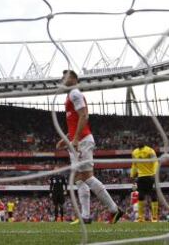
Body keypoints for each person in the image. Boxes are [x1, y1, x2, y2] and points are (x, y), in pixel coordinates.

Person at [57, 70, 123, 224]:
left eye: (65, 76)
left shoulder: (75, 93)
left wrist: (75, 139)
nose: (62, 79)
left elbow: (84, 116)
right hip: (77, 140)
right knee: (79, 180)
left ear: (73, 79)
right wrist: (66, 138)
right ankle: (85, 216)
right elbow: (74, 121)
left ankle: (114, 209)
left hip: (82, 141)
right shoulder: (69, 96)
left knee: (87, 176)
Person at [130, 142, 159, 222]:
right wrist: (132, 175)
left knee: (153, 195)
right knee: (141, 196)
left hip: (150, 176)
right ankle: (141, 218)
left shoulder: (150, 150)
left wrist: (154, 173)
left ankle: (154, 217)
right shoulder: (135, 152)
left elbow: (155, 162)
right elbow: (134, 165)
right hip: (141, 177)